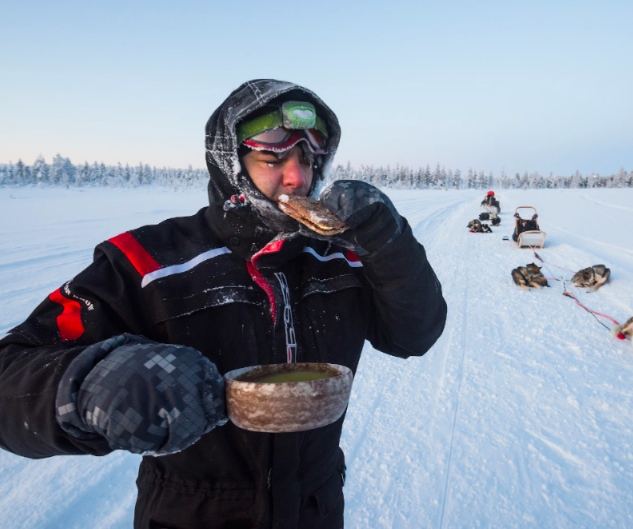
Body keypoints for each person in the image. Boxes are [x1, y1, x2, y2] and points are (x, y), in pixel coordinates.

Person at [0, 80, 447, 529]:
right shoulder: (150, 261)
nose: (298, 177)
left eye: (309, 160)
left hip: (317, 508)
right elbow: (10, 372)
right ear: (230, 162)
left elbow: (414, 334)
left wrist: (390, 243)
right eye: (273, 158)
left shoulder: (339, 257)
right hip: (189, 514)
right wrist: (90, 385)